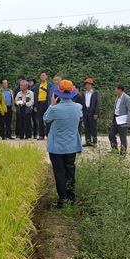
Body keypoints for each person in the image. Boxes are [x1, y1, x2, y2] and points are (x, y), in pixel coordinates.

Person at [43, 80, 83, 208]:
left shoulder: (55, 109)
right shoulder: (78, 107)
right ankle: (71, 199)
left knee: (59, 173)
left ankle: (62, 200)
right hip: (71, 146)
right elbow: (80, 117)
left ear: (58, 93)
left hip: (56, 147)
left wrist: (51, 104)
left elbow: (45, 118)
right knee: (70, 171)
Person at [108, 84, 130, 154]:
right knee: (111, 134)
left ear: (119, 90)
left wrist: (129, 121)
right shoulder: (117, 97)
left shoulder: (126, 98)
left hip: (123, 120)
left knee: (122, 137)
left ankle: (123, 153)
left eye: (115, 89)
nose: (115, 91)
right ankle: (115, 150)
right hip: (116, 119)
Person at [82, 78, 100, 147]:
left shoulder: (95, 93)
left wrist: (96, 113)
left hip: (93, 112)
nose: (87, 86)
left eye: (89, 84)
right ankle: (88, 141)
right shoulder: (83, 94)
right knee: (87, 127)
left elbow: (98, 104)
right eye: (86, 84)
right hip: (85, 111)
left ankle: (94, 141)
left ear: (92, 85)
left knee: (93, 127)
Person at [36, 72, 49, 140]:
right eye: (41, 75)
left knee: (48, 118)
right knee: (40, 119)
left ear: (46, 76)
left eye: (44, 75)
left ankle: (48, 134)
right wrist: (35, 105)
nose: (42, 76)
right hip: (39, 103)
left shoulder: (49, 84)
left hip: (47, 102)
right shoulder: (38, 85)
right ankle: (41, 135)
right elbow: (36, 95)